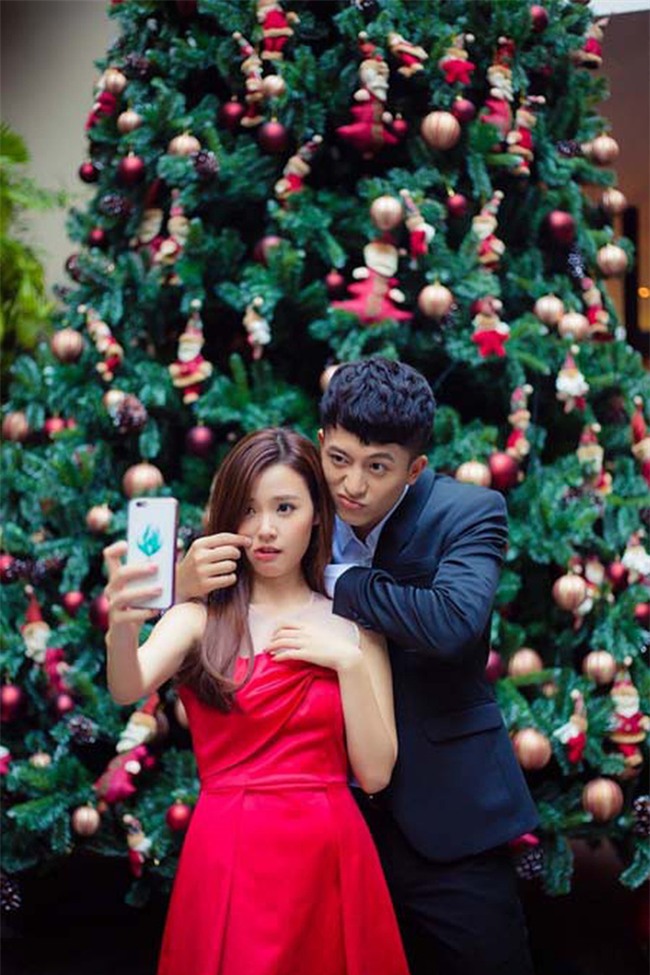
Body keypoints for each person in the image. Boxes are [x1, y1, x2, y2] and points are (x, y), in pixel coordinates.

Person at [177, 358, 540, 975]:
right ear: (322, 443)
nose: (352, 485)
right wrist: (183, 589)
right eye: (339, 460)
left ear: (413, 469)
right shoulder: (291, 498)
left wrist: (333, 581)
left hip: (446, 815)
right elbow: (229, 598)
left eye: (378, 468)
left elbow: (452, 623)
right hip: (316, 829)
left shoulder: (468, 512)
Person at [103, 428, 409, 975]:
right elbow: (129, 686)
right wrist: (122, 628)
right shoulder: (198, 618)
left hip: (330, 855)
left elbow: (376, 773)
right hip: (229, 851)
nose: (265, 529)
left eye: (285, 508)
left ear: (317, 516)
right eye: (247, 510)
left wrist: (348, 663)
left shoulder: (356, 627)